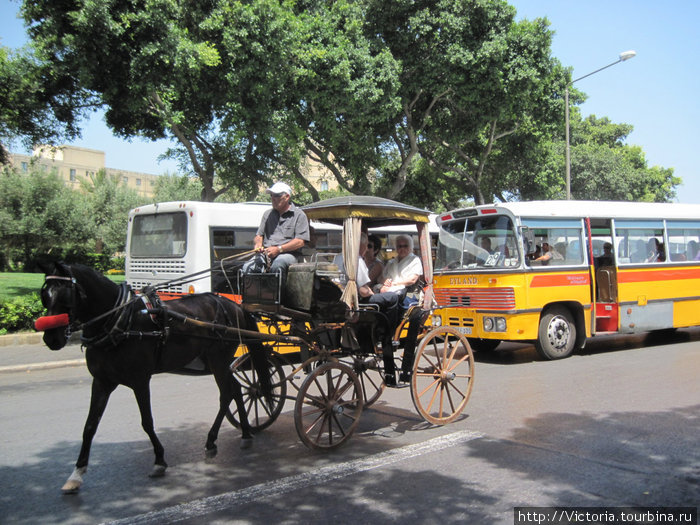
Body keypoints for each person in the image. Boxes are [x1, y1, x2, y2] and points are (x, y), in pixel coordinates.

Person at [334, 233, 401, 386]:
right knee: (392, 298)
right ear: (362, 246)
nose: (366, 249)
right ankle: (387, 335)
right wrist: (373, 292)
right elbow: (364, 291)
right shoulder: (357, 260)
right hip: (359, 301)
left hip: (341, 300)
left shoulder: (338, 257)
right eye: (366, 246)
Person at [243, 182, 310, 282]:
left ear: (287, 197)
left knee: (278, 266)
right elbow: (259, 235)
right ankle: (254, 296)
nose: (273, 198)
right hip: (267, 253)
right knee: (247, 267)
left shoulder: (299, 215)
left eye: (277, 195)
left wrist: (279, 249)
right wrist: (258, 244)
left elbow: (300, 241)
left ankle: (278, 297)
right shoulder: (267, 214)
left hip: (288, 254)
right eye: (271, 195)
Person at [378, 235, 423, 306]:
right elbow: (380, 278)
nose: (402, 249)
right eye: (399, 246)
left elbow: (412, 280)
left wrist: (395, 284)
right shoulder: (391, 262)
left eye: (405, 246)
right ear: (396, 248)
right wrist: (385, 282)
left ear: (411, 247)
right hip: (388, 292)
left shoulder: (415, 260)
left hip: (407, 294)